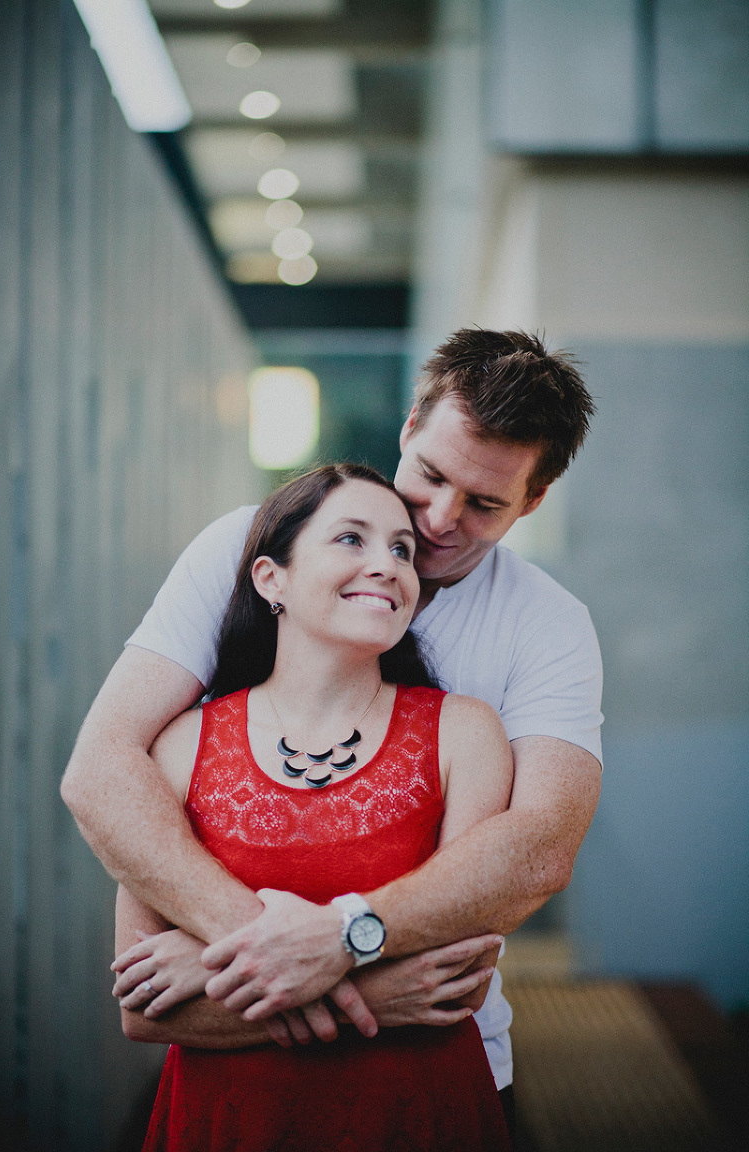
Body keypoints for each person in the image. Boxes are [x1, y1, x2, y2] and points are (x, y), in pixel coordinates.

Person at [62, 329, 603, 1138]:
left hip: (439, 1063)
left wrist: (339, 937)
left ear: (532, 502)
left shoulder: (546, 630)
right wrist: (273, 949)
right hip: (235, 1067)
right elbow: (101, 771)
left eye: (485, 503)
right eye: (430, 476)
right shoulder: (251, 543)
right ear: (408, 427)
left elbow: (537, 850)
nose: (437, 520)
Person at [115, 464, 514, 1151]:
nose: (387, 566)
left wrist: (214, 974)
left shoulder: (465, 732)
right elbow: (146, 1010)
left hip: (418, 1118)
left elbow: (459, 981)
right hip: (231, 1123)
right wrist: (381, 995)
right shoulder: (182, 746)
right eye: (351, 540)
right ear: (272, 579)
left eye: (400, 550)